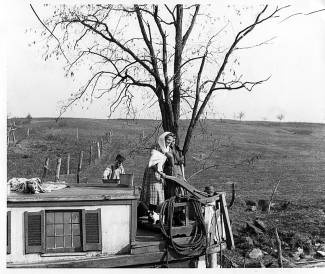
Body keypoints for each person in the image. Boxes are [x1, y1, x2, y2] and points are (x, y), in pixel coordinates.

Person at [140, 132, 174, 220]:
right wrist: (159, 172)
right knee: (153, 194)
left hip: (160, 172)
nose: (169, 142)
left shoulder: (168, 149)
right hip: (152, 171)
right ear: (163, 139)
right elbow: (151, 163)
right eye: (168, 140)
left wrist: (170, 157)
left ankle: (155, 215)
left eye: (171, 140)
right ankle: (150, 215)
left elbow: (172, 163)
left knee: (159, 195)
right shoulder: (156, 147)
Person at [164, 134, 185, 199]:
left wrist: (183, 176)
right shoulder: (166, 150)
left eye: (174, 141)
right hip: (169, 169)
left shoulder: (178, 150)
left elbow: (181, 164)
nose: (172, 142)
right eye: (171, 141)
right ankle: (171, 201)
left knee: (180, 185)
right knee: (171, 186)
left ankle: (180, 199)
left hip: (178, 169)